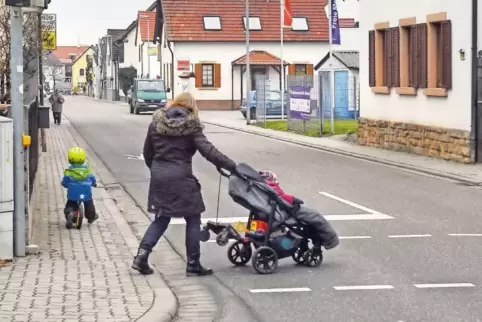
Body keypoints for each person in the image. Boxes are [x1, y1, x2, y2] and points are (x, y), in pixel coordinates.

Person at [132, 92, 237, 277]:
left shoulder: (157, 123)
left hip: (160, 176)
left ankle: (141, 257)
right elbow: (208, 151)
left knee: (161, 218)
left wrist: (157, 170)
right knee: (193, 219)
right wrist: (232, 166)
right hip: (182, 177)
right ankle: (193, 264)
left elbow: (147, 152)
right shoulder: (191, 125)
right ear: (192, 107)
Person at [61, 147, 99, 229]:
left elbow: (65, 182)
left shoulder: (69, 171)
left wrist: (64, 184)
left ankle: (70, 212)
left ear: (70, 159)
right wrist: (94, 183)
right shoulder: (88, 170)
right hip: (85, 192)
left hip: (73, 192)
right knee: (89, 202)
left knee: (71, 202)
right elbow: (92, 179)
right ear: (83, 159)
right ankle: (91, 216)